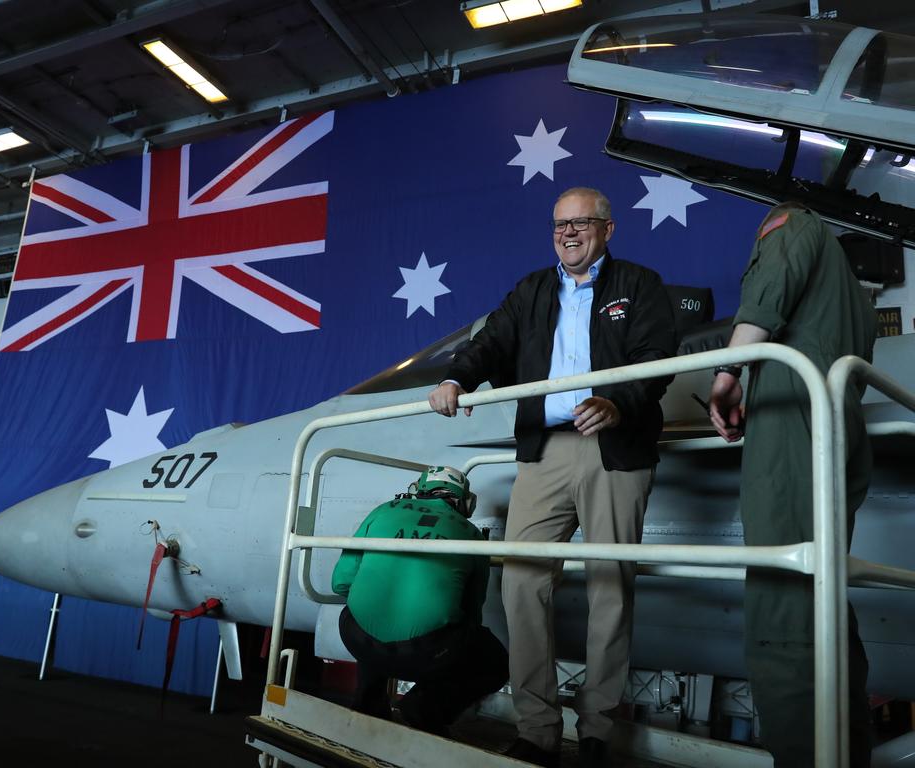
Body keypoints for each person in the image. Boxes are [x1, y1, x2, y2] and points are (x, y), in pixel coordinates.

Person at [429, 188, 677, 768]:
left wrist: (616, 402)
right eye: (560, 224)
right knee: (520, 582)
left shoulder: (639, 285)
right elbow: (490, 342)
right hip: (544, 451)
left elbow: (657, 354)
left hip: (614, 447)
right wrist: (457, 380)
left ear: (608, 230)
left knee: (610, 587)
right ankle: (537, 729)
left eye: (582, 223)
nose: (569, 233)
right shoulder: (532, 290)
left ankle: (595, 730)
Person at [708, 203, 875, 768]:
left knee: (784, 588)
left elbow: (772, 283)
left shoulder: (793, 225)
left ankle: (804, 754)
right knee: (824, 589)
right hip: (834, 414)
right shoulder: (853, 294)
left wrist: (729, 374)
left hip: (794, 415)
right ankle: (842, 747)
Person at [331, 466, 508, 737]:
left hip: (356, 639)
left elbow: (340, 583)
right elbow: (472, 613)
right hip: (427, 654)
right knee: (496, 663)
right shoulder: (471, 533)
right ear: (466, 502)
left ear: (416, 490)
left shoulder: (382, 511)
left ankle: (368, 702)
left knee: (368, 613)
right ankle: (425, 707)